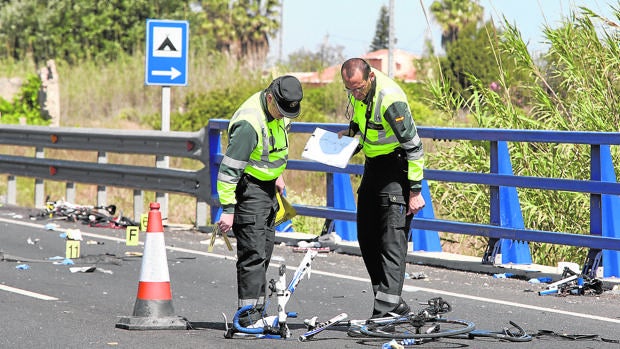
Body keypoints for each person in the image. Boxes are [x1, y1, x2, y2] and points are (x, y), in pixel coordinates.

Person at [339, 58, 425, 319]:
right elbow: (362, 121)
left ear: (371, 78)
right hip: (373, 167)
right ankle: (391, 302)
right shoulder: (356, 91)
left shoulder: (390, 99)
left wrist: (415, 191)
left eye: (359, 88)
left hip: (396, 169)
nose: (355, 94)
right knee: (366, 236)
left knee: (391, 240)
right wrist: (350, 132)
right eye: (349, 89)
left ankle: (385, 313)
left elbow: (415, 147)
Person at [216, 75, 303, 324]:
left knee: (264, 249)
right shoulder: (249, 123)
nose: (282, 115)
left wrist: (278, 175)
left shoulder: (282, 111)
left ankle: (257, 311)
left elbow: (273, 147)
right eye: (280, 110)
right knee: (252, 254)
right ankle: (247, 316)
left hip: (268, 188)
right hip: (249, 187)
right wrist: (228, 210)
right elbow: (229, 171)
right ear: (269, 98)